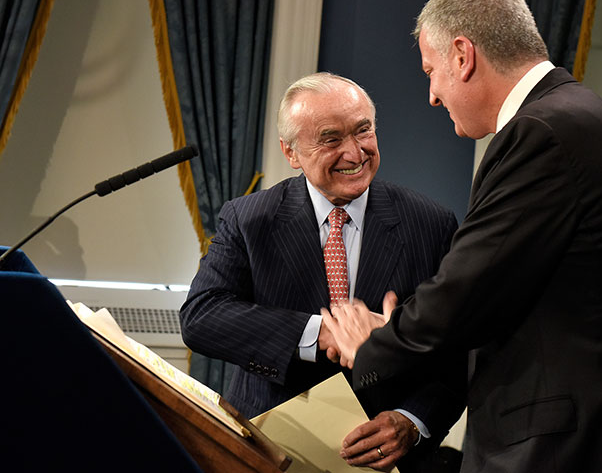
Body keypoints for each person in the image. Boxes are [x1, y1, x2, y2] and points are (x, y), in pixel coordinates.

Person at [321, 0, 602, 473]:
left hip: (567, 448)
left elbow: (470, 288)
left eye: (431, 72)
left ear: (462, 55)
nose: (431, 95)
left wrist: (375, 344)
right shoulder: (587, 117)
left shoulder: (540, 133)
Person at [179, 73, 466, 472]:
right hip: (269, 451)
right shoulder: (249, 218)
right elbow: (201, 317)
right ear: (291, 152)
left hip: (383, 460)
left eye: (363, 130)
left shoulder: (431, 223)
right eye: (331, 139)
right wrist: (321, 332)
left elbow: (458, 353)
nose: (355, 153)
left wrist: (412, 422)